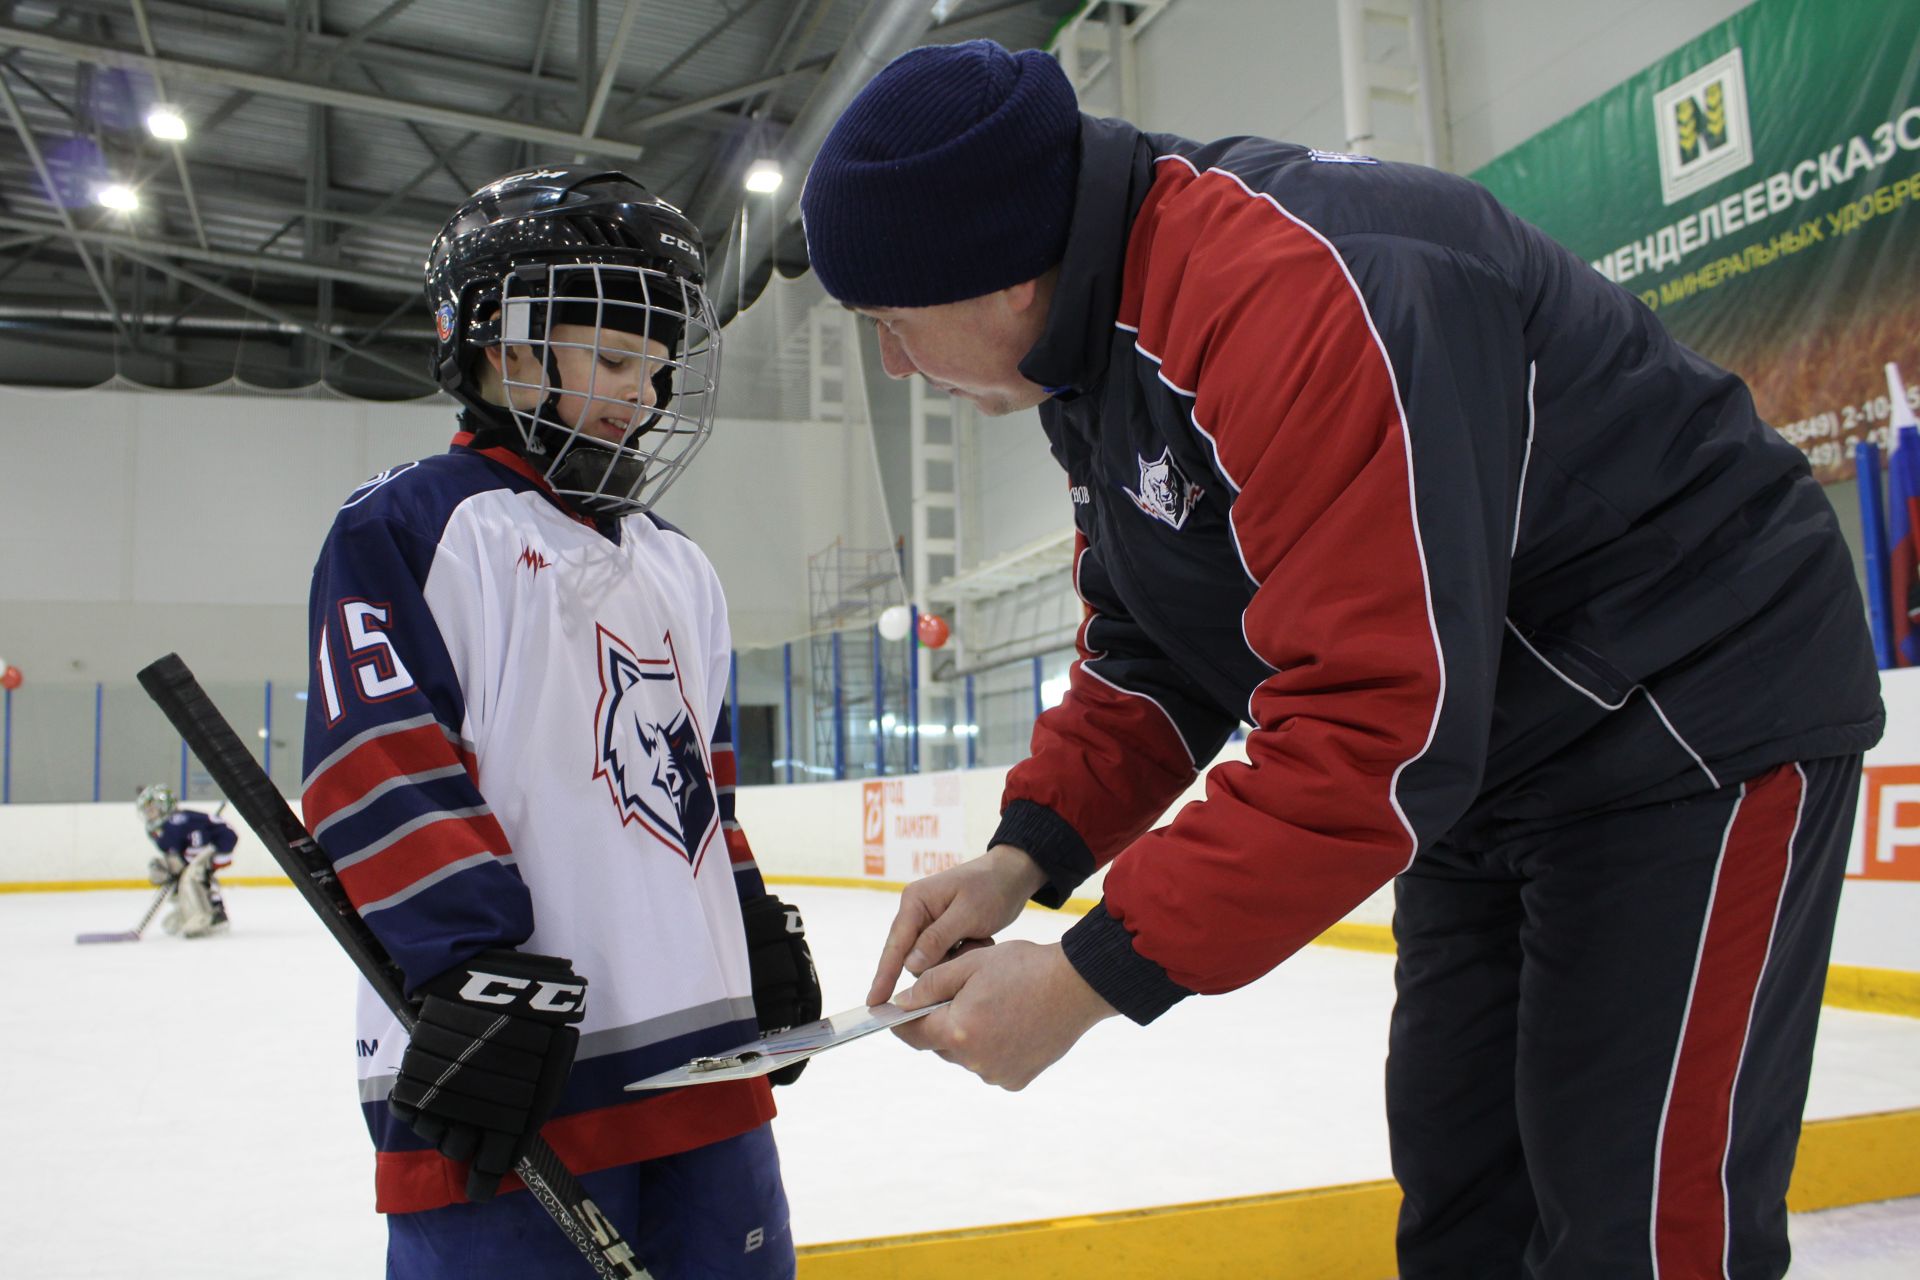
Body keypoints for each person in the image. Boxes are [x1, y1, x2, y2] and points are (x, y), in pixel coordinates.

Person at [799, 39, 1885, 1280]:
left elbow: (1370, 725)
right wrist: (1024, 854)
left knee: (1638, 1232)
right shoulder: (1096, 357)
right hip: (1493, 763)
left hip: (1682, 712)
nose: (893, 361)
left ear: (995, 272)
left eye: (890, 319)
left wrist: (1083, 980)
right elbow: (1157, 647)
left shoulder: (1291, 294)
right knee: (1464, 1206)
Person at [300, 166, 819, 1280]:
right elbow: (379, 767)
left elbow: (699, 793)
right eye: (616, 358)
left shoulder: (682, 563)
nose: (648, 390)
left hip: (701, 1069)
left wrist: (742, 915)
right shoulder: (413, 526)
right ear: (502, 347)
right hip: (509, 1071)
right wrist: (472, 966)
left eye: (657, 362)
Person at [135, 782, 234, 937]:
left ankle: (211, 915)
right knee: (169, 872)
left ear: (164, 806)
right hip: (201, 851)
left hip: (219, 847)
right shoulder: (163, 826)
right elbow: (178, 851)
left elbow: (200, 844)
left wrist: (184, 865)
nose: (149, 815)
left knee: (192, 876)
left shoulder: (177, 821)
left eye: (152, 810)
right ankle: (188, 913)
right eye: (146, 811)